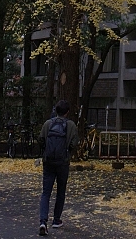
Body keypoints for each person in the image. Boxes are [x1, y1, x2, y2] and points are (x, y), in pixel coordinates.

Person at [37, 100, 78, 235]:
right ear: (67, 112)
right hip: (62, 163)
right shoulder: (71, 125)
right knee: (61, 191)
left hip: (48, 162)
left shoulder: (48, 124)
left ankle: (43, 221)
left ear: (56, 110)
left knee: (45, 193)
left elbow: (41, 140)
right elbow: (74, 143)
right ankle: (56, 220)